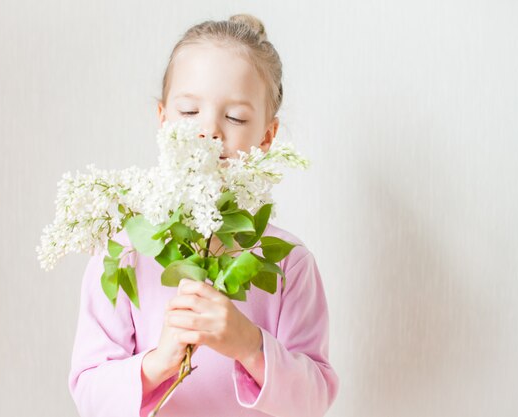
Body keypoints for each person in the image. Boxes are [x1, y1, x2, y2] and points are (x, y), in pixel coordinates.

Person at [68, 14, 340, 417]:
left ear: (267, 136)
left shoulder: (289, 263)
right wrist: (159, 363)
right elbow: (88, 392)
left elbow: (314, 400)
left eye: (235, 118)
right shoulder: (123, 252)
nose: (210, 131)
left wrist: (250, 345)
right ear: (163, 121)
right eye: (189, 111)